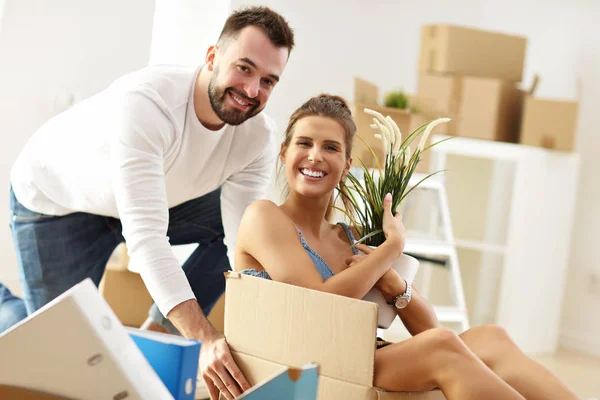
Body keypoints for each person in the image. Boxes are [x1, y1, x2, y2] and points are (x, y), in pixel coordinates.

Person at [8, 6, 294, 400]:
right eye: (244, 68)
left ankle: (158, 330)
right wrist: (204, 337)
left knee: (254, 225)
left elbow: (242, 241)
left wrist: (265, 327)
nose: (251, 90)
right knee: (55, 357)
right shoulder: (149, 103)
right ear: (212, 57)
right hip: (59, 205)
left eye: (268, 81)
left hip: (156, 199)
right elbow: (146, 238)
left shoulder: (257, 137)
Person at [234, 94, 579, 400]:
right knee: (441, 349)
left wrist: (394, 282)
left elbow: (430, 330)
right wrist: (391, 248)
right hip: (310, 360)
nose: (315, 156)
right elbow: (316, 306)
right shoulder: (263, 217)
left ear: (348, 164)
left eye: (331, 147)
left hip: (365, 355)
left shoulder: (352, 236)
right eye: (304, 143)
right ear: (284, 152)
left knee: (491, 338)